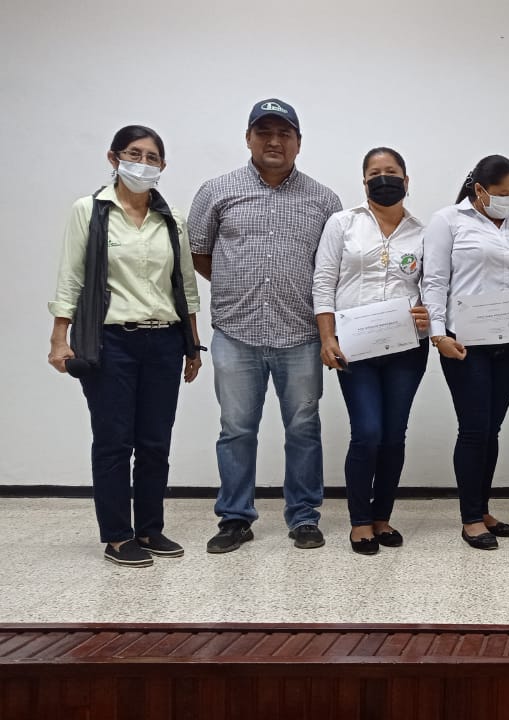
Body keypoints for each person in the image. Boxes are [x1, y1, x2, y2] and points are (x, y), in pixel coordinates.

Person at [190, 98, 343, 553]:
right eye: (264, 132)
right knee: (236, 429)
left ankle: (304, 516)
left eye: (284, 134)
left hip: (300, 334)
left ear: (298, 142)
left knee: (303, 428)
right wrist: (239, 284)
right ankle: (235, 518)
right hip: (236, 332)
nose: (274, 141)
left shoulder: (324, 200)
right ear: (248, 138)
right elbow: (199, 252)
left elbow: (331, 268)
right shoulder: (217, 191)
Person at [47, 125, 203, 568]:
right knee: (114, 441)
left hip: (164, 341)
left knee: (155, 442)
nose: (143, 163)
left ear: (163, 165)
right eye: (134, 154)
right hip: (111, 342)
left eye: (152, 157)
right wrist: (59, 337)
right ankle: (117, 536)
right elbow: (72, 277)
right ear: (114, 158)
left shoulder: (171, 219)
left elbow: (185, 285)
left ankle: (150, 528)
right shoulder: (90, 211)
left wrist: (192, 344)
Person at [313, 147, 431, 556]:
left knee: (394, 434)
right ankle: (360, 520)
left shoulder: (422, 232)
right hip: (354, 346)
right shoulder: (342, 223)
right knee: (367, 432)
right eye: (375, 173)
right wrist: (327, 337)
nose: (384, 179)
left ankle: (382, 517)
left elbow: (433, 287)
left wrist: (427, 314)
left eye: (392, 171)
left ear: (406, 180)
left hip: (407, 347)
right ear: (364, 182)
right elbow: (323, 282)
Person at [422, 155, 509, 551]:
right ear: (479, 190)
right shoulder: (448, 221)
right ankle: (470, 518)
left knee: (492, 429)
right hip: (463, 342)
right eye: (503, 193)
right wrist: (438, 334)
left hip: (507, 340)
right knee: (473, 429)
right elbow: (434, 281)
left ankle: (483, 509)